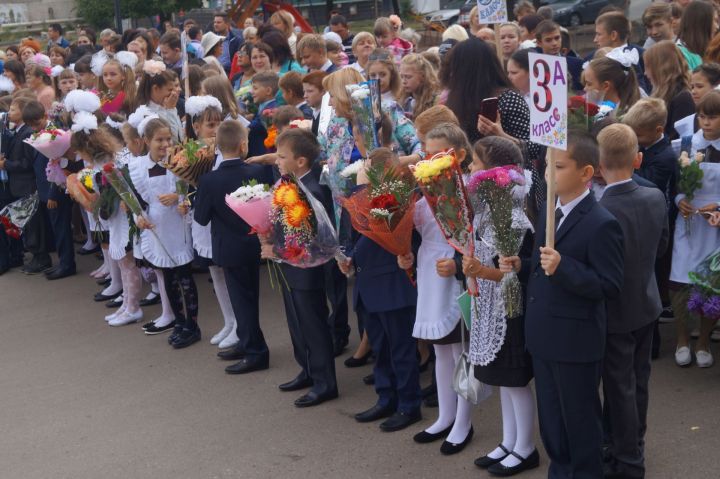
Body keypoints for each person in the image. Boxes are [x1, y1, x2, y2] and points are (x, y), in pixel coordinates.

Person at [502, 130, 624, 478]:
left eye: (559, 167)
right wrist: (521, 265)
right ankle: (560, 470)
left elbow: (609, 285)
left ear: (586, 173)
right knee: (552, 422)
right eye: (546, 167)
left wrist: (565, 267)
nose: (548, 175)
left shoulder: (602, 223)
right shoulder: (548, 213)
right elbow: (542, 268)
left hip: (576, 341)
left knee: (580, 422)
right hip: (543, 335)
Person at [596, 123, 669, 479]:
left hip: (616, 314)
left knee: (620, 388)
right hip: (647, 302)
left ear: (597, 165)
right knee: (638, 382)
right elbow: (661, 247)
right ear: (638, 159)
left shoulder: (601, 210)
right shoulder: (655, 196)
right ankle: (631, 443)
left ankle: (628, 459)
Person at [468, 137, 538, 477]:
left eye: (475, 164)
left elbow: (515, 272)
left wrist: (482, 272)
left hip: (510, 311)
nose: (469, 169)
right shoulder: (487, 211)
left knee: (515, 381)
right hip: (491, 305)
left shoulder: (513, 216)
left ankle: (525, 447)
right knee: (501, 382)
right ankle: (509, 441)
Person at [338, 148, 421, 432]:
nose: (364, 175)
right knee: (381, 348)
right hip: (368, 284)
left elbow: (395, 236)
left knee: (400, 349)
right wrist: (347, 255)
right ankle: (386, 396)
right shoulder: (362, 198)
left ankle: (409, 404)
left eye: (370, 170)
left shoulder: (398, 199)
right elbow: (354, 235)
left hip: (392, 285)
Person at [405, 123, 474, 454]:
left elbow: (477, 239)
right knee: (439, 350)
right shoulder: (424, 190)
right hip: (430, 273)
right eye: (427, 155)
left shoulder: (469, 190)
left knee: (460, 349)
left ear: (458, 156)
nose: (431, 161)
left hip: (455, 275)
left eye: (439, 155)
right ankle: (446, 415)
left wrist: (459, 264)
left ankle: (464, 420)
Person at [260, 128, 339, 407]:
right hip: (291, 267)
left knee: (312, 323)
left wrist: (275, 249)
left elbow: (306, 239)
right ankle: (307, 368)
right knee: (296, 321)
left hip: (307, 268)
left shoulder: (311, 189)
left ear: (301, 161)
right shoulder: (291, 183)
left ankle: (324, 381)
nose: (276, 161)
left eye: (282, 156)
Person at [194, 120, 274, 374]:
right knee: (248, 298)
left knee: (241, 300)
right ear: (243, 145)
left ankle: (255, 351)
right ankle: (247, 339)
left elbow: (201, 218)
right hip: (253, 244)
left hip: (228, 247)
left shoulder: (209, 180)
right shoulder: (258, 172)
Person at [130, 117, 199, 348]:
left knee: (184, 276)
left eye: (168, 139)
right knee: (168, 278)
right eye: (159, 140)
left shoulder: (180, 161)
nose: (164, 144)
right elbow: (137, 202)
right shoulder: (138, 167)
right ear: (146, 141)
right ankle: (179, 321)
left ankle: (193, 325)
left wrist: (180, 198)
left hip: (177, 224)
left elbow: (192, 191)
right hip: (158, 226)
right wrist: (139, 218)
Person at [670, 90, 720, 368]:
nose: (707, 122)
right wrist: (680, 201)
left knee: (711, 283)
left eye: (713, 117)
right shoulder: (685, 144)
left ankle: (703, 341)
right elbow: (673, 185)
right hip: (687, 223)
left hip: (714, 227)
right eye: (703, 116)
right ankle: (681, 339)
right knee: (680, 280)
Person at [0, 95, 51, 274]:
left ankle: (41, 257)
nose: (9, 112)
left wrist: (6, 164)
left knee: (33, 223)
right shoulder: (17, 131)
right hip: (19, 185)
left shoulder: (27, 132)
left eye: (13, 109)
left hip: (27, 185)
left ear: (22, 113)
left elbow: (27, 163)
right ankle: (36, 254)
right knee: (27, 223)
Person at [643, 40, 695, 140]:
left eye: (648, 67)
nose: (645, 73)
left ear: (661, 68)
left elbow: (677, 137)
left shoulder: (683, 98)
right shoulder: (660, 93)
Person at [592, 12, 649, 92]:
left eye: (599, 34)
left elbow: (639, 93)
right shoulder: (593, 57)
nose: (595, 40)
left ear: (613, 35)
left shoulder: (631, 59)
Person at [583, 53, 640, 118]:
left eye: (589, 84)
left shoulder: (625, 117)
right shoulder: (604, 109)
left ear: (606, 86)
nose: (585, 89)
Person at [535, 21, 583, 92]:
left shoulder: (577, 64)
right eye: (548, 40)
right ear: (539, 43)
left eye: (557, 38)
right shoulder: (533, 66)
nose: (554, 43)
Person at [675, 0, 716, 70]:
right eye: (714, 21)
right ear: (702, 24)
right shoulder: (680, 55)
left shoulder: (708, 50)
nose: (716, 26)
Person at [247, 71, 279, 159]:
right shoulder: (262, 107)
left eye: (255, 88)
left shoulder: (271, 111)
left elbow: (255, 126)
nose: (251, 91)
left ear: (268, 91)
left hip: (263, 156)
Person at [398, 54, 438, 120]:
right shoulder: (402, 99)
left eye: (408, 77)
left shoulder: (435, 100)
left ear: (422, 76)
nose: (403, 81)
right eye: (401, 77)